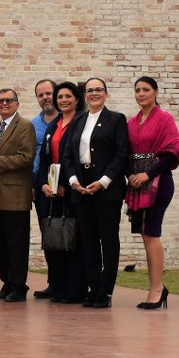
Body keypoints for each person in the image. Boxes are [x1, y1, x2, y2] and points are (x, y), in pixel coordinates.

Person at [62, 76, 129, 309]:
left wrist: (104, 181)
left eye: (99, 90)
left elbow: (121, 154)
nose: (94, 94)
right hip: (81, 187)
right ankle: (93, 288)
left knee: (108, 241)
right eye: (90, 90)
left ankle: (106, 291)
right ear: (85, 96)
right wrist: (72, 181)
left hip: (106, 189)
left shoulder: (116, 120)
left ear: (106, 94)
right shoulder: (78, 121)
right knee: (88, 241)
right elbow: (68, 155)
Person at [126, 76, 179, 311]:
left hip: (158, 182)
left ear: (156, 92)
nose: (141, 94)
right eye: (137, 90)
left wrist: (147, 175)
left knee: (152, 233)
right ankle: (155, 286)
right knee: (144, 235)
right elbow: (124, 152)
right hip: (136, 184)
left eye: (146, 89)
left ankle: (157, 289)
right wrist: (131, 175)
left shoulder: (165, 119)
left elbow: (172, 152)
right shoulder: (132, 122)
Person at [33, 81, 85, 303]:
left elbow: (75, 159)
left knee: (75, 241)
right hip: (51, 190)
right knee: (55, 239)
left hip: (72, 190)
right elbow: (45, 159)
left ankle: (75, 291)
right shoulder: (53, 125)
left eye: (67, 96)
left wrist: (67, 185)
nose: (63, 100)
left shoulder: (81, 122)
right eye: (60, 97)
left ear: (76, 99)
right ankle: (58, 288)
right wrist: (44, 183)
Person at [0, 88, 35, 302]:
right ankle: (7, 283)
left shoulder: (24, 126)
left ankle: (19, 286)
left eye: (8, 100)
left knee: (16, 244)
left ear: (16, 103)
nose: (4, 104)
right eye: (0, 101)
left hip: (15, 195)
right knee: (3, 243)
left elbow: (26, 157)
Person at [30, 78, 57, 295]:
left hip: (67, 186)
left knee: (68, 232)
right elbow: (31, 157)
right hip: (41, 187)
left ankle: (72, 282)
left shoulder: (72, 120)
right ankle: (54, 282)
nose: (45, 98)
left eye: (48, 93)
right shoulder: (33, 124)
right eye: (41, 95)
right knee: (49, 234)